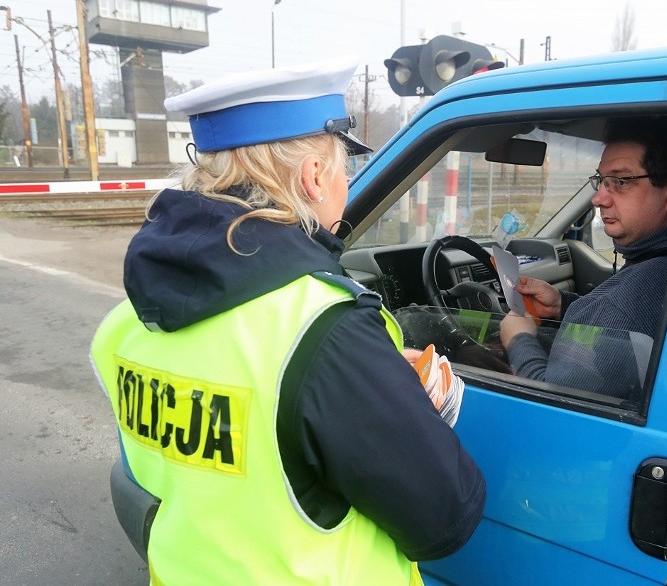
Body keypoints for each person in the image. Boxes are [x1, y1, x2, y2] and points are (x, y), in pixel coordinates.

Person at [91, 57, 484, 585]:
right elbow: (444, 517)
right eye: (344, 165)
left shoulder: (128, 321)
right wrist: (417, 402)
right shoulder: (324, 330)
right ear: (314, 174)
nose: (345, 179)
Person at [499, 116, 667, 399]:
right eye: (601, 181)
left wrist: (518, 340)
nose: (598, 199)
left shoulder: (623, 304)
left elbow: (554, 404)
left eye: (621, 181)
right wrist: (563, 306)